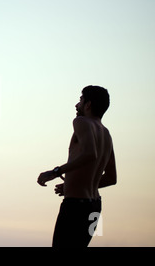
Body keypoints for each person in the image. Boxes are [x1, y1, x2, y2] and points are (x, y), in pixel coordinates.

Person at [37, 85, 117, 247]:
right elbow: (111, 178)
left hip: (75, 207)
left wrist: (55, 171)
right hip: (94, 206)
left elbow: (89, 154)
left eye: (80, 100)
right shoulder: (106, 134)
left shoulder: (81, 121)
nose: (77, 105)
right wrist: (71, 184)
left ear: (88, 104)